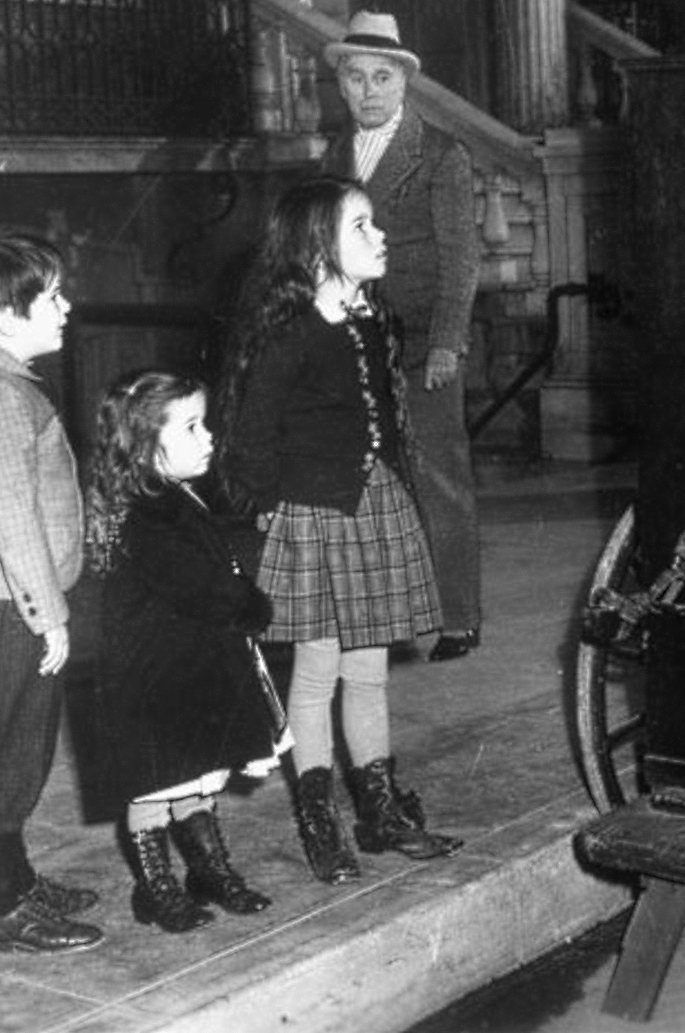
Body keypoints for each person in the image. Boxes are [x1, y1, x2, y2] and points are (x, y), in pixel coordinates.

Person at [217, 178, 463, 884]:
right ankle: (319, 819)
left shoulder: (372, 318)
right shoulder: (289, 332)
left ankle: (379, 810)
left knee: (368, 671)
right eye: (361, 226)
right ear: (317, 247)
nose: (380, 235)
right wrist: (270, 514)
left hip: (372, 503)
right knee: (316, 672)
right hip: (314, 513)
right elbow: (251, 437)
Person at [0, 227, 103, 954]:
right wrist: (48, 614)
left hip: (11, 605)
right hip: (7, 608)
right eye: (53, 297)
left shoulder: (0, 380)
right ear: (5, 317)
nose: (67, 308)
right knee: (3, 759)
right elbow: (13, 520)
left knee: (20, 751)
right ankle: (2, 908)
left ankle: (17, 879)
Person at [85, 369, 286, 934]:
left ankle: (208, 870)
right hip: (155, 677)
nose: (208, 436)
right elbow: (201, 587)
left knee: (197, 772)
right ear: (146, 445)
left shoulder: (171, 495)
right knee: (156, 783)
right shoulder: (148, 514)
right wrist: (251, 605)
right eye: (192, 427)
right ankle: (156, 888)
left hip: (189, 667)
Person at [316, 11, 484, 661]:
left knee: (437, 476)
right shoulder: (333, 156)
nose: (368, 91)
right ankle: (385, 619)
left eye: (381, 78)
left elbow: (461, 258)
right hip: (355, 341)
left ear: (404, 82)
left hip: (421, 342)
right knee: (370, 479)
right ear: (340, 84)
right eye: (356, 78)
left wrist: (447, 341)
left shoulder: (440, 154)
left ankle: (458, 617)